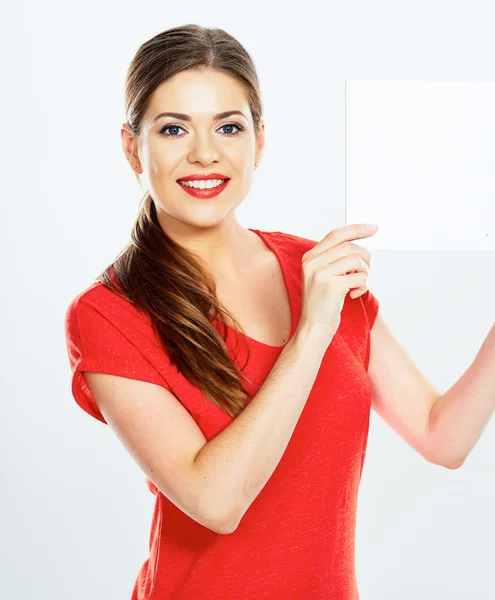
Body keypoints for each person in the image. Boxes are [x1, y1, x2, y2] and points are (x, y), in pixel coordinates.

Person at [64, 24, 380, 600]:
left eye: (228, 127)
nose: (204, 152)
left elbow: (442, 435)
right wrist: (311, 331)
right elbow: (217, 502)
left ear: (259, 140)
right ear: (133, 147)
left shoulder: (312, 266)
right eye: (173, 129)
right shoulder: (108, 313)